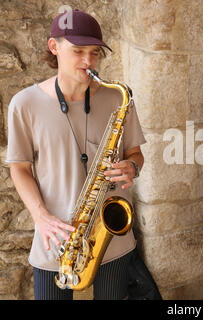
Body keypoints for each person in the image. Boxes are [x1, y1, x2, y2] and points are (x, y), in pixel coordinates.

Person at [6, 9, 146, 300]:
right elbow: (19, 167)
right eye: (78, 50)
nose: (88, 61)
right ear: (54, 47)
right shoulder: (25, 104)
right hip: (56, 238)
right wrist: (40, 216)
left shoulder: (118, 97)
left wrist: (132, 165)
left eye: (95, 52)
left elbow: (135, 152)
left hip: (112, 237)